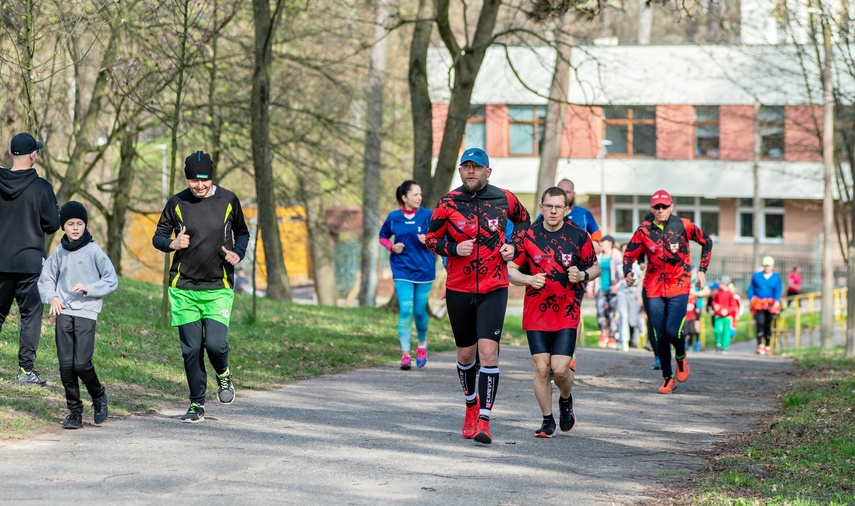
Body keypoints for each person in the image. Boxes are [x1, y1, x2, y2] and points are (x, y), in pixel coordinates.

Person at [425, 147, 530, 444]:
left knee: (488, 353)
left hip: (494, 287)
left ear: (488, 171)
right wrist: (452, 249)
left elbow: (524, 220)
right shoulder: (448, 202)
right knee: (466, 355)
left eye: (477, 167)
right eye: (466, 167)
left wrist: (515, 246)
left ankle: (484, 420)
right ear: (460, 171)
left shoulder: (505, 198)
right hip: (458, 288)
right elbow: (431, 239)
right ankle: (470, 404)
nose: (471, 171)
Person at [152, 151, 249, 423]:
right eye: (194, 180)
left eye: (204, 180)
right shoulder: (177, 203)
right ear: (188, 178)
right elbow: (158, 237)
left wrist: (237, 254)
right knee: (191, 349)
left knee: (215, 345)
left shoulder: (229, 200)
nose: (199, 185)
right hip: (183, 287)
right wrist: (172, 244)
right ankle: (196, 404)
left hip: (218, 286)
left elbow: (242, 232)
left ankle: (224, 375)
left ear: (212, 177)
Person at [508, 187, 600, 437]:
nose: (553, 211)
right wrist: (528, 279)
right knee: (541, 367)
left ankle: (566, 400)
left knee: (559, 369)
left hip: (566, 313)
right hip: (536, 312)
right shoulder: (528, 236)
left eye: (558, 207)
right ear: (541, 207)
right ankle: (547, 420)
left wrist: (581, 274)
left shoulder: (579, 236)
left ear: (566, 209)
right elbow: (511, 271)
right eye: (548, 206)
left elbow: (595, 268)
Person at [623, 189, 712, 394]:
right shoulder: (644, 229)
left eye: (664, 206)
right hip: (653, 288)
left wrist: (702, 271)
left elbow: (707, 242)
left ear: (671, 206)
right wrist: (628, 272)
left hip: (679, 286)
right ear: (651, 208)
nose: (661, 210)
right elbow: (629, 254)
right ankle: (667, 377)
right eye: (657, 207)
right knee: (660, 334)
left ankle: (680, 357)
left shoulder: (684, 225)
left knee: (673, 331)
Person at [38, 202, 118, 429]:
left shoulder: (94, 251)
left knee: (81, 364)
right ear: (64, 226)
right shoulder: (59, 253)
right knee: (65, 366)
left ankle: (99, 395)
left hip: (87, 312)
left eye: (79, 224)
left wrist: (89, 288)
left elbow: (111, 279)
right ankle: (74, 412)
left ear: (85, 225)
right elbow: (46, 279)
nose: (75, 228)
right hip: (63, 311)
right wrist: (52, 297)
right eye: (70, 224)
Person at [0, 133, 61, 385]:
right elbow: (52, 224)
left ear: (12, 154)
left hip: (0, 261)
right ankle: (26, 371)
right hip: (29, 263)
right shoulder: (41, 187)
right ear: (33, 155)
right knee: (30, 316)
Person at [379, 180, 436, 369]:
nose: (419, 197)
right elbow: (382, 236)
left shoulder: (428, 216)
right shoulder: (394, 217)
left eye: (420, 194)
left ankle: (421, 345)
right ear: (404, 197)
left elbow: (440, 237)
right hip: (402, 268)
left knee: (419, 311)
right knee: (405, 309)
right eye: (415, 194)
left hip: (424, 269)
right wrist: (392, 247)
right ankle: (405, 354)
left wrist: (428, 239)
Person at [747, 256, 782, 355]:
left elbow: (778, 290)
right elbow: (751, 289)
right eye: (765, 265)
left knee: (768, 324)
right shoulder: (757, 276)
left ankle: (767, 345)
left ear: (772, 266)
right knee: (760, 323)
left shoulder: (776, 277)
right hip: (759, 304)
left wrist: (776, 301)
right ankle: (759, 345)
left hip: (770, 305)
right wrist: (751, 298)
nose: (767, 267)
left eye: (769, 266)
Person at [556, 179, 603, 251]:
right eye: (561, 191)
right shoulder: (547, 213)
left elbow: (596, 231)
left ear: (573, 194)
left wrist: (595, 242)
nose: (564, 195)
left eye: (567, 192)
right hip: (555, 256)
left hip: (579, 256)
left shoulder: (584, 213)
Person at [595, 236, 621, 348]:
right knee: (600, 312)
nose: (601, 244)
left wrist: (617, 285)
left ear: (610, 243)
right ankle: (603, 334)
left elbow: (621, 274)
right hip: (601, 288)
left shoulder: (616, 255)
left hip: (613, 288)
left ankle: (612, 336)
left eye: (603, 242)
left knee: (612, 313)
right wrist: (591, 288)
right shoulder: (598, 256)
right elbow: (594, 272)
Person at [616, 243, 643, 350]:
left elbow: (641, 280)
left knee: (633, 320)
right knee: (623, 316)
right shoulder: (620, 265)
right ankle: (624, 341)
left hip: (635, 292)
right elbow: (620, 277)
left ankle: (640, 325)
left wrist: (638, 293)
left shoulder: (638, 266)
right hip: (623, 292)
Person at [711, 276, 739, 353]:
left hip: (727, 317)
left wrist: (727, 311)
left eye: (721, 283)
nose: (719, 285)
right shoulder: (718, 292)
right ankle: (718, 343)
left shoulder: (730, 294)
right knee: (717, 330)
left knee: (726, 332)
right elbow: (714, 301)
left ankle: (724, 347)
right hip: (718, 316)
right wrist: (715, 305)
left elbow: (733, 306)